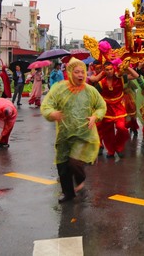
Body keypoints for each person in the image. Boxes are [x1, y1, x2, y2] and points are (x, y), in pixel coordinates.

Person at [41, 58, 106, 203]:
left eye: (82, 72)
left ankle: (81, 178)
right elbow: (46, 106)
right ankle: (68, 193)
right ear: (70, 72)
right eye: (76, 72)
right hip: (64, 134)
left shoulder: (90, 91)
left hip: (83, 134)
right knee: (62, 165)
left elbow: (101, 106)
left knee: (74, 162)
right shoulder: (59, 89)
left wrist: (95, 116)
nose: (80, 75)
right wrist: (52, 113)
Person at [89, 61, 139, 158]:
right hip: (106, 109)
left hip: (119, 108)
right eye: (107, 70)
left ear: (114, 69)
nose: (109, 71)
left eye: (111, 69)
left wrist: (127, 67)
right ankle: (111, 151)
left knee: (122, 128)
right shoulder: (100, 83)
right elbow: (93, 92)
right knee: (108, 133)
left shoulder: (121, 78)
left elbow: (136, 76)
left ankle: (119, 147)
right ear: (104, 71)